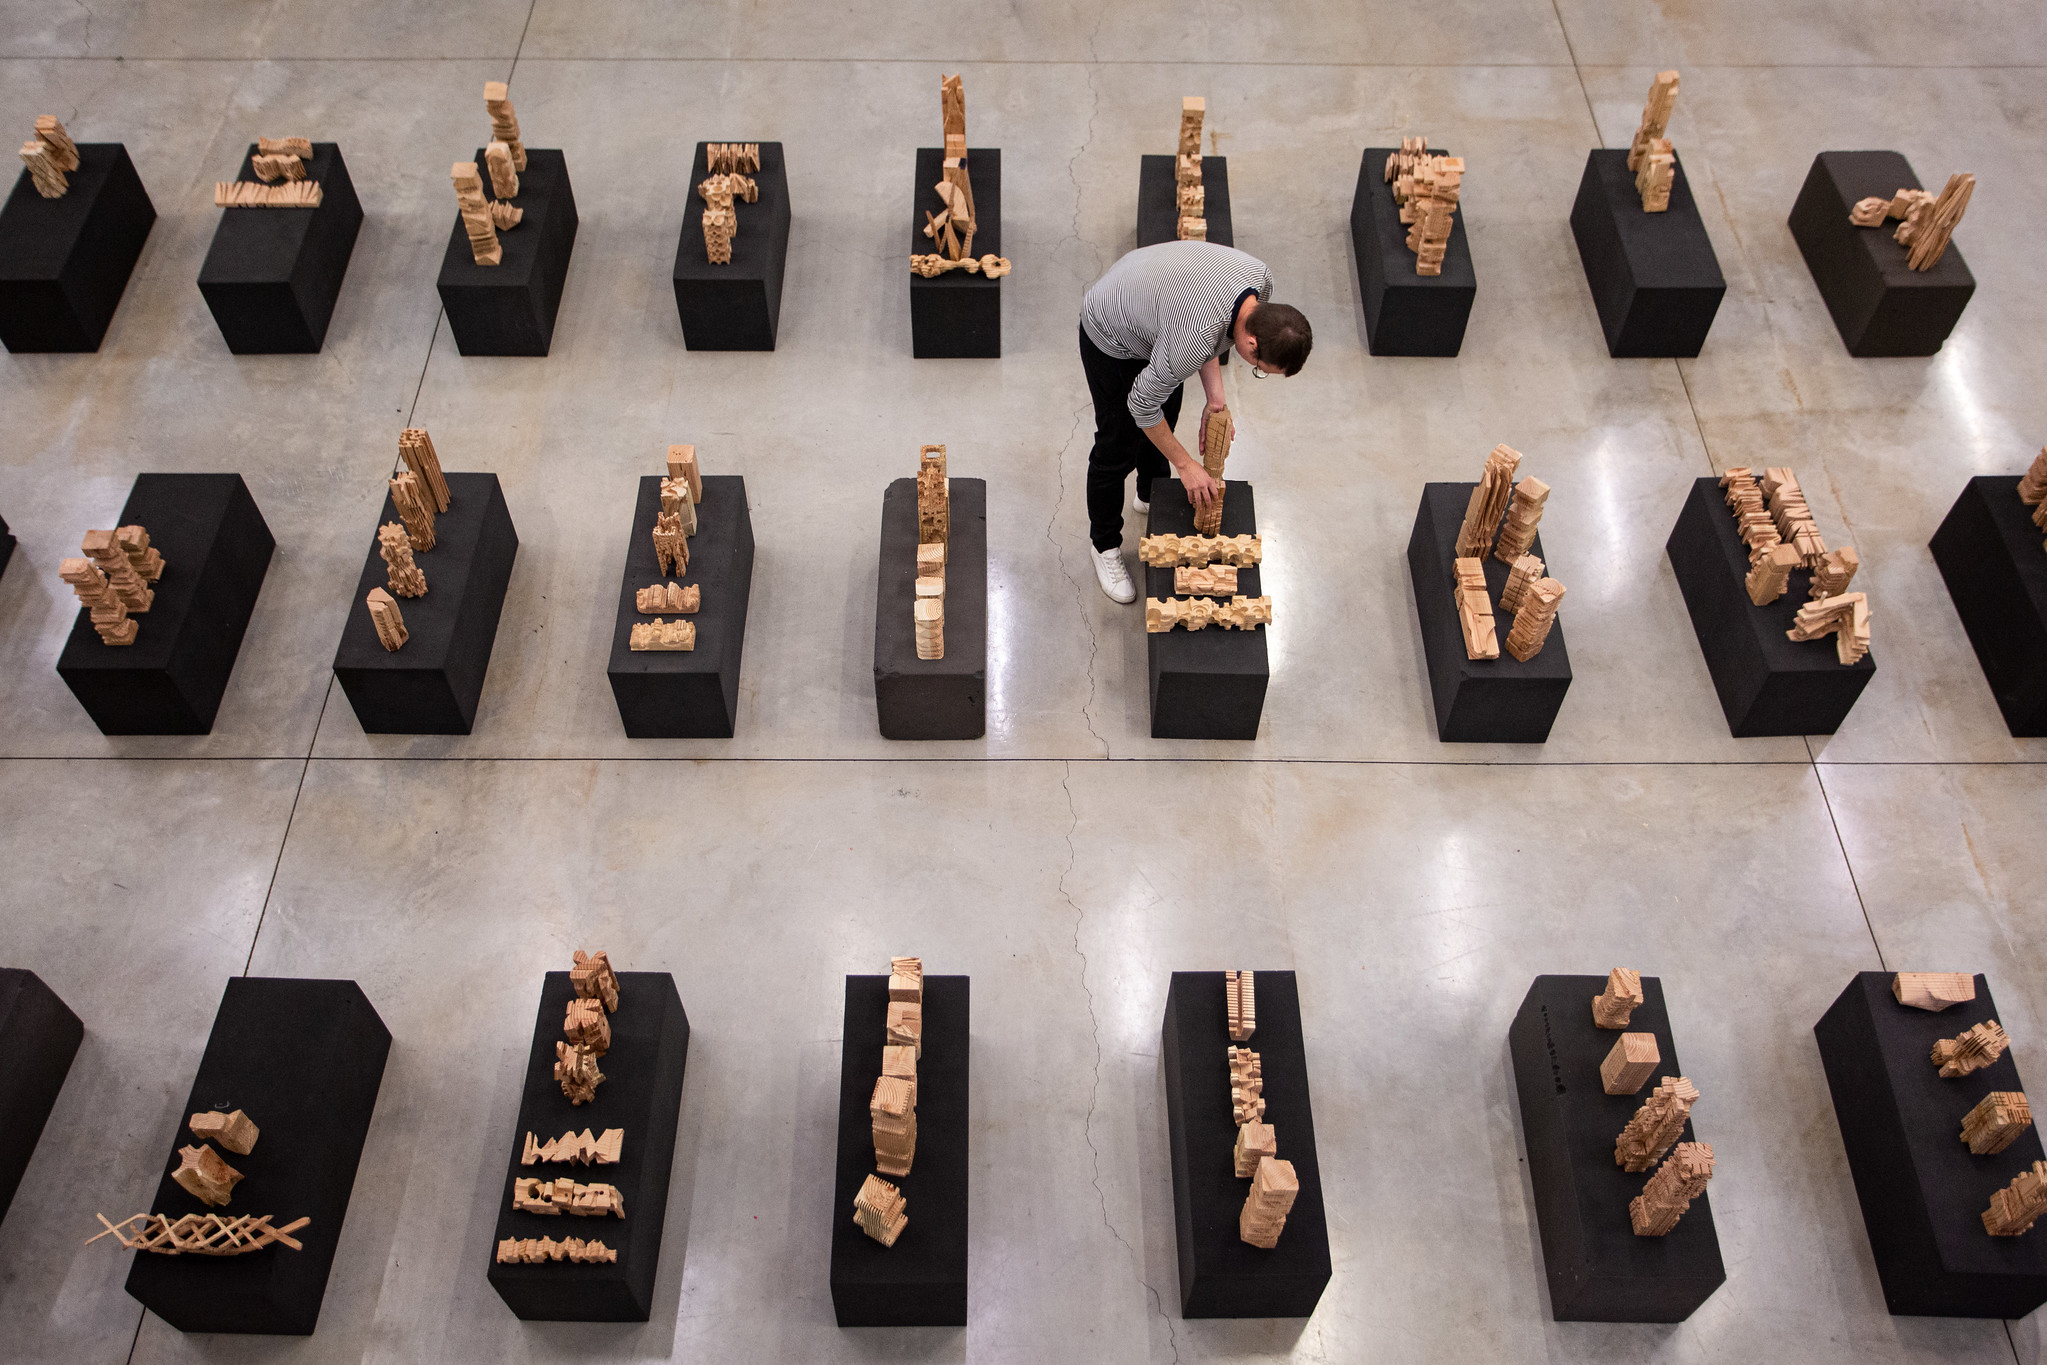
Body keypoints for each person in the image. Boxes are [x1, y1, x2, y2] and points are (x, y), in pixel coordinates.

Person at [1076, 240, 1312, 602]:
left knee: (1165, 419)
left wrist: (1215, 399)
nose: (1257, 370)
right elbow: (1142, 405)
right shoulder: (1191, 341)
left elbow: (1215, 326)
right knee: (1117, 445)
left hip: (1159, 307)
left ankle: (1149, 495)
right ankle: (1104, 546)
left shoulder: (1260, 281)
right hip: (1111, 328)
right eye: (1260, 369)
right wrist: (1186, 466)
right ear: (1252, 343)